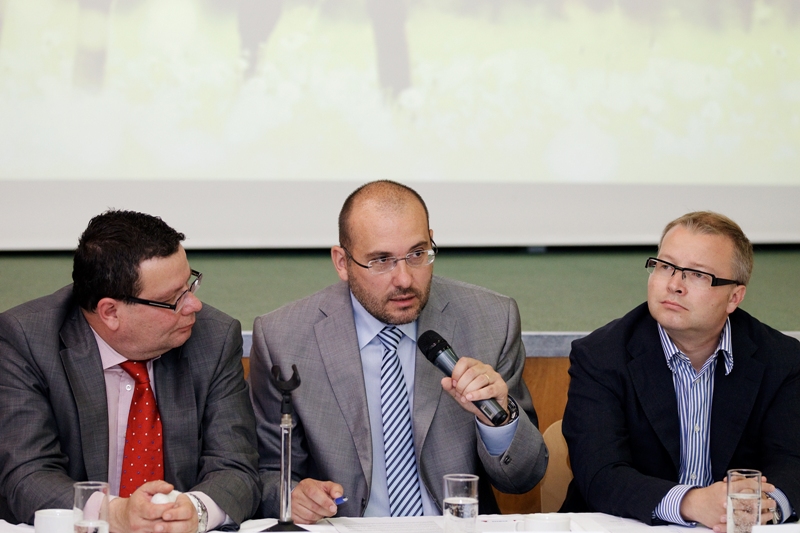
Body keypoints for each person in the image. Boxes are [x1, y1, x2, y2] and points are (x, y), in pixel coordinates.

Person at [250, 180, 547, 524]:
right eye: (381, 260)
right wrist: (291, 496)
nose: (404, 278)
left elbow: (524, 477)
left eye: (417, 254)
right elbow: (269, 471)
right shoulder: (283, 337)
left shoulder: (492, 321)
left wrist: (500, 419)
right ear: (342, 262)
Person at [0, 210, 260, 533]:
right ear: (110, 312)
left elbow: (237, 467)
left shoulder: (214, 338)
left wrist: (196, 511)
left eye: (190, 284)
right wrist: (115, 514)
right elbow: (26, 476)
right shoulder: (28, 341)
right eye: (172, 299)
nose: (194, 305)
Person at [561, 211, 800, 529]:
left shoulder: (782, 360)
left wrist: (763, 506)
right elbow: (600, 474)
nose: (674, 284)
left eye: (698, 274)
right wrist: (691, 503)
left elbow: (792, 463)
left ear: (734, 297)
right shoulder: (601, 356)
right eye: (665, 266)